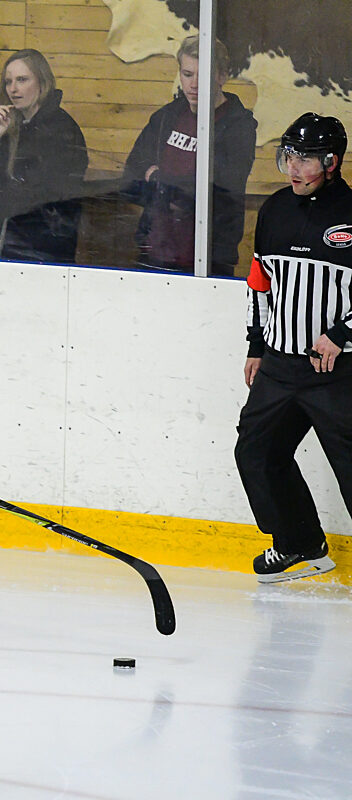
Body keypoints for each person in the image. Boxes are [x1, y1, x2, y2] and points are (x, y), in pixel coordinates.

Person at [234, 113, 351, 583]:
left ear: (332, 161)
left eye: (305, 159)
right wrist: (257, 344)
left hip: (337, 371)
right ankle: (299, 544)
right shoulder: (275, 209)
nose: (294, 169)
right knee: (257, 453)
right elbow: (260, 282)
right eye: (289, 157)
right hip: (280, 366)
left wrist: (342, 334)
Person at [123, 36, 257, 275]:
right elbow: (131, 172)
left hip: (208, 257)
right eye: (187, 74)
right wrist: (165, 186)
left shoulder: (239, 126)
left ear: (222, 76)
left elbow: (218, 188)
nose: (194, 84)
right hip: (155, 249)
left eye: (202, 75)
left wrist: (158, 179)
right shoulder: (166, 117)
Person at [0, 49, 87, 263]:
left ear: (42, 83)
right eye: (8, 82)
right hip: (6, 244)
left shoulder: (62, 130)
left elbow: (45, 197)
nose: (13, 89)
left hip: (44, 250)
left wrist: (4, 198)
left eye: (22, 80)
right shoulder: (9, 126)